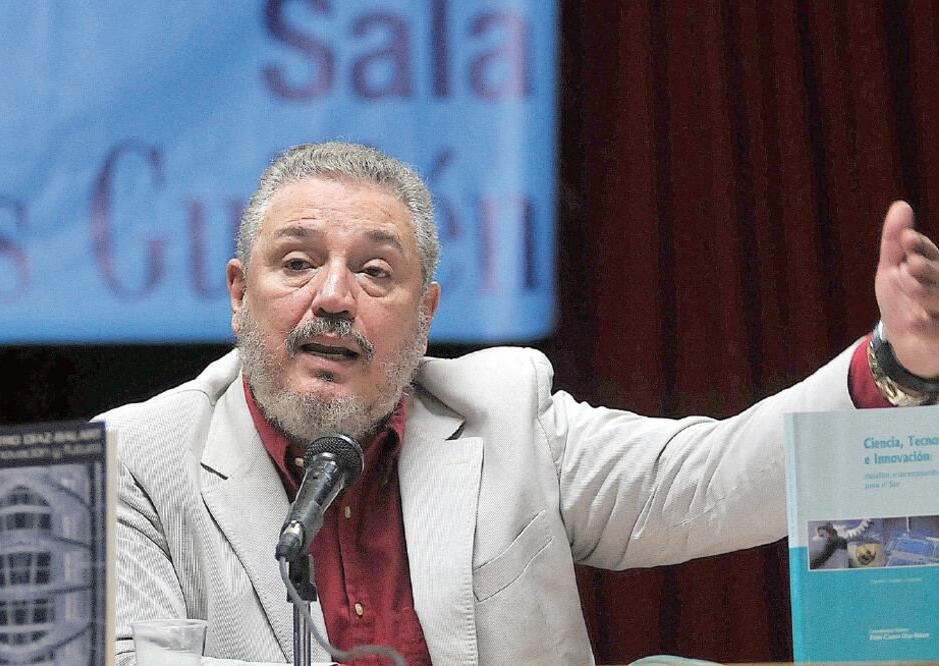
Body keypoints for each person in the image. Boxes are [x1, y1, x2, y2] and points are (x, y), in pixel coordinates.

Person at [103, 141, 939, 665]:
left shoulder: (506, 414)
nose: (333, 297)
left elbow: (709, 479)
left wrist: (894, 365)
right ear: (238, 296)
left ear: (424, 317)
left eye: (375, 271)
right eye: (296, 263)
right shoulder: (136, 464)